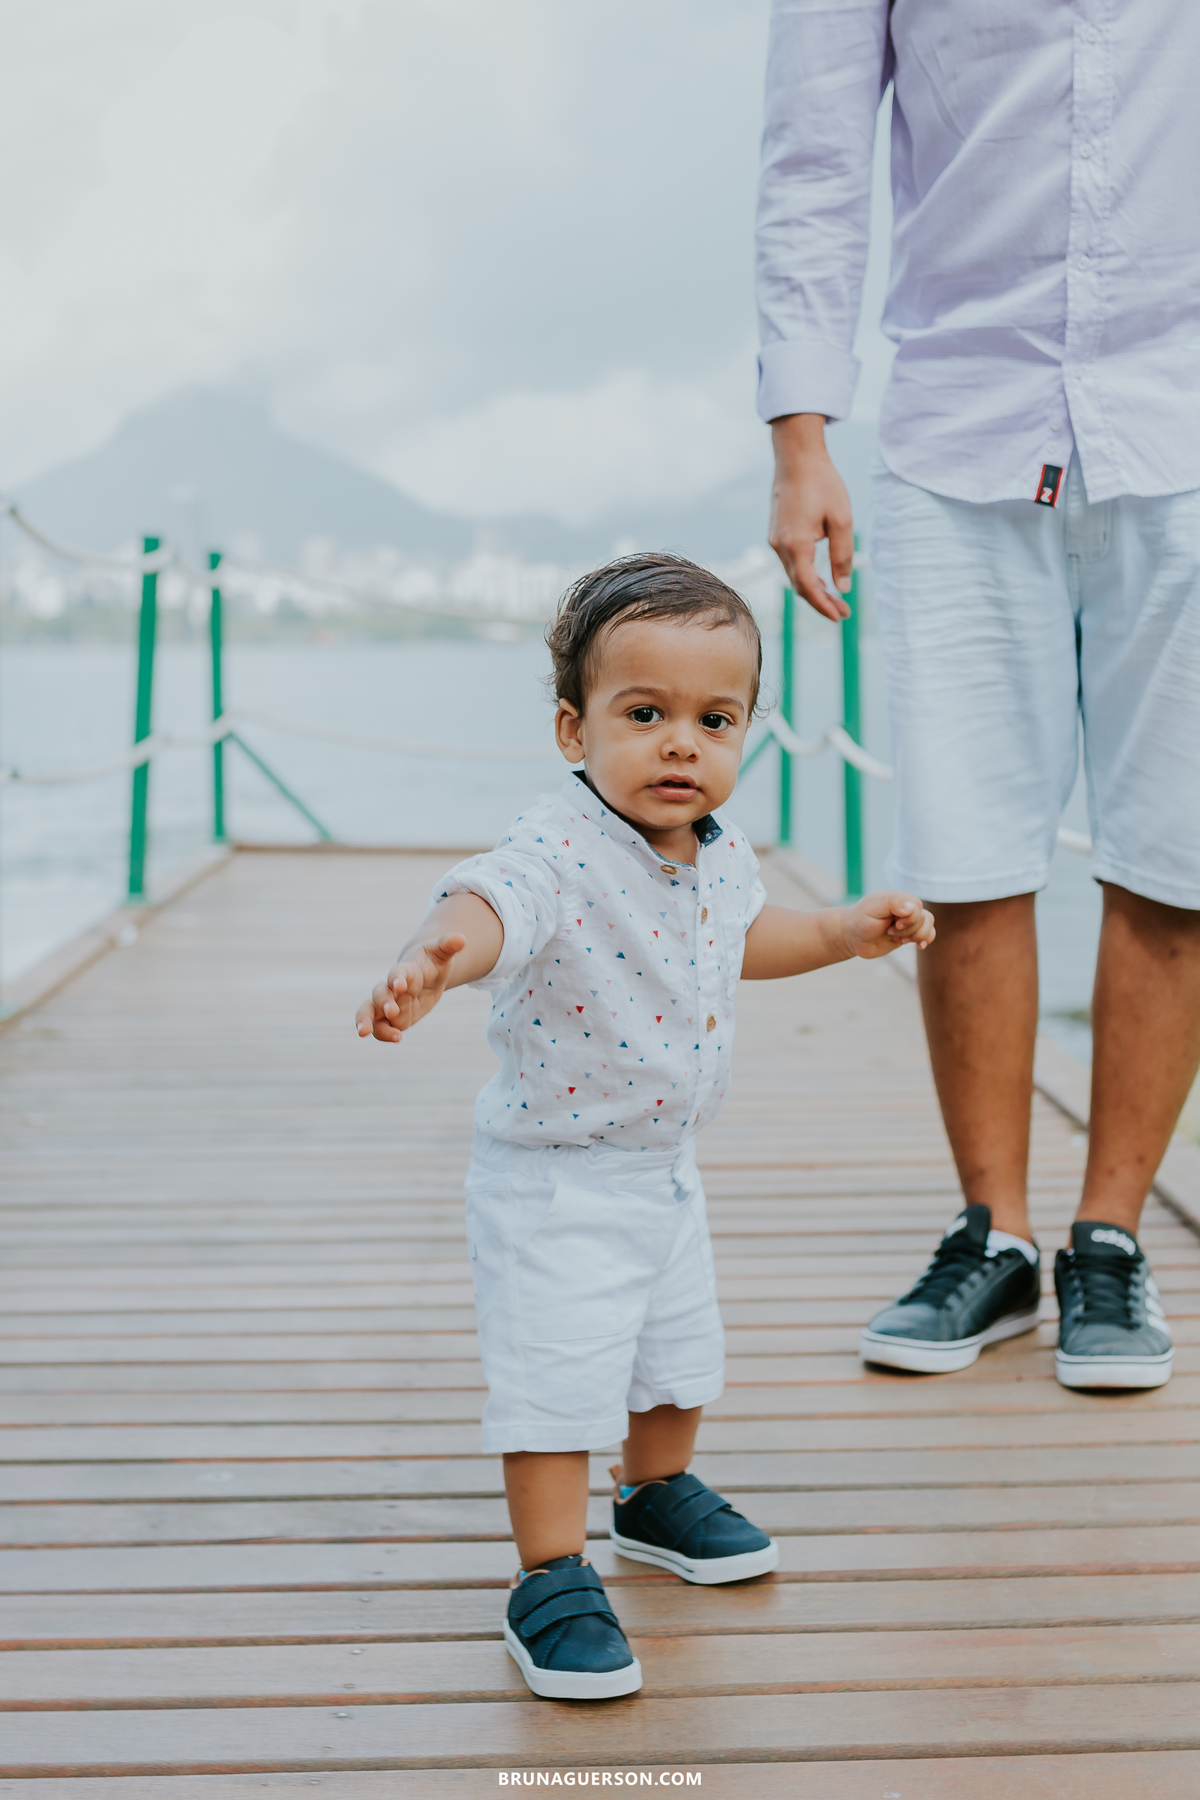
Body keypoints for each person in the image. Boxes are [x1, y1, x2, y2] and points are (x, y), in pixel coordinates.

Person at [356, 553, 935, 1699]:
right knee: (558, 1377)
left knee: (676, 1356)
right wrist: (436, 957)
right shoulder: (558, 850)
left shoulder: (716, 858)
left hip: (663, 1171)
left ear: (747, 730)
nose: (682, 743)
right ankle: (550, 1571)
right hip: (554, 1181)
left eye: (713, 719)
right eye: (645, 713)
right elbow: (489, 905)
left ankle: (655, 1496)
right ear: (575, 731)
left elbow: (742, 944)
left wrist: (840, 934)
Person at [756, 2, 1200, 1390]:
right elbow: (815, 162)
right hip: (957, 422)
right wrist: (801, 437)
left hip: (1186, 417)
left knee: (1178, 850)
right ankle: (995, 1238)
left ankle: (1112, 1239)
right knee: (958, 845)